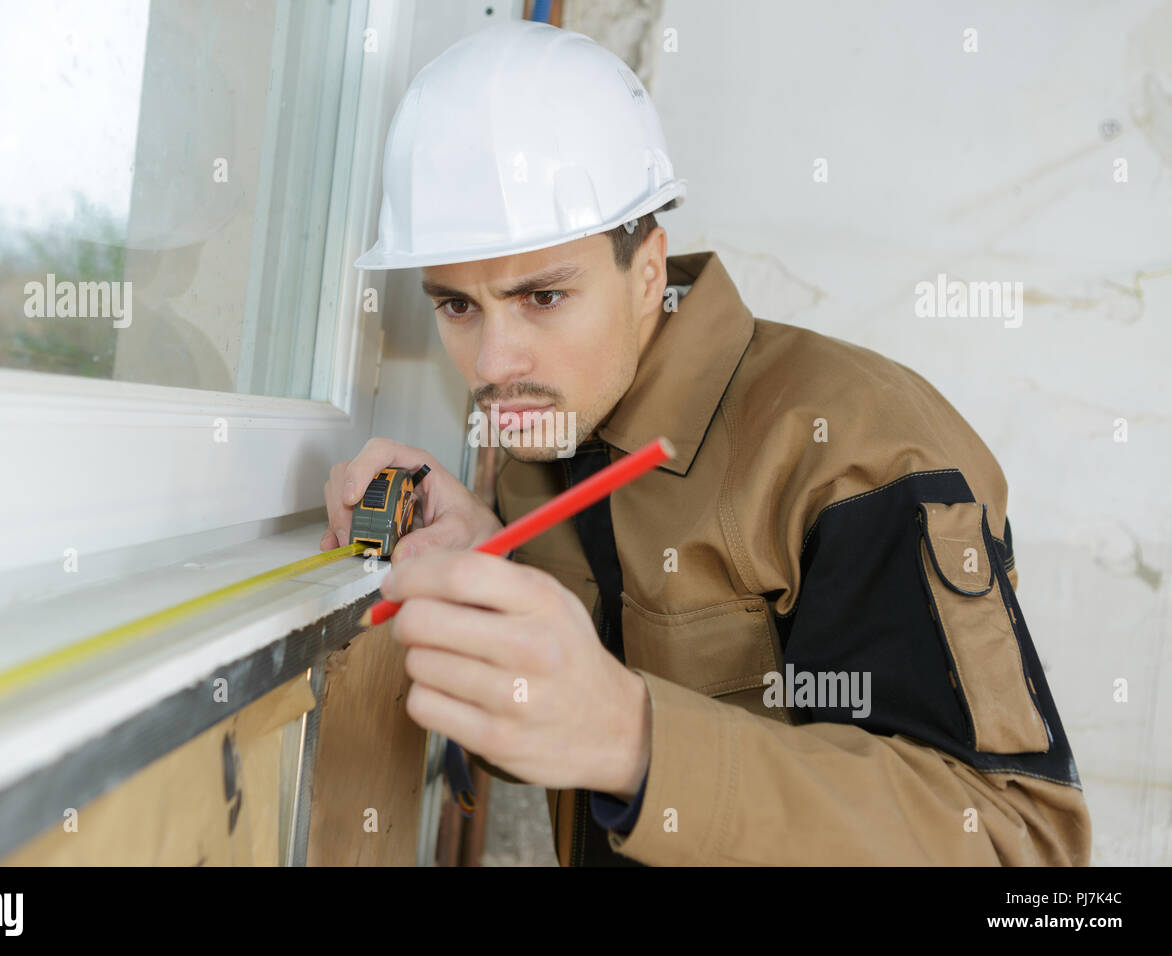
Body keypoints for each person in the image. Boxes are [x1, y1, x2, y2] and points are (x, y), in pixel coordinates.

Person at [320, 19, 1091, 866]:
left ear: (648, 270)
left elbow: (1025, 850)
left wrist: (637, 739)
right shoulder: (545, 449)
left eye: (541, 297)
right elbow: (564, 741)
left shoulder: (856, 455)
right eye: (458, 306)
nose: (494, 365)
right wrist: (486, 563)